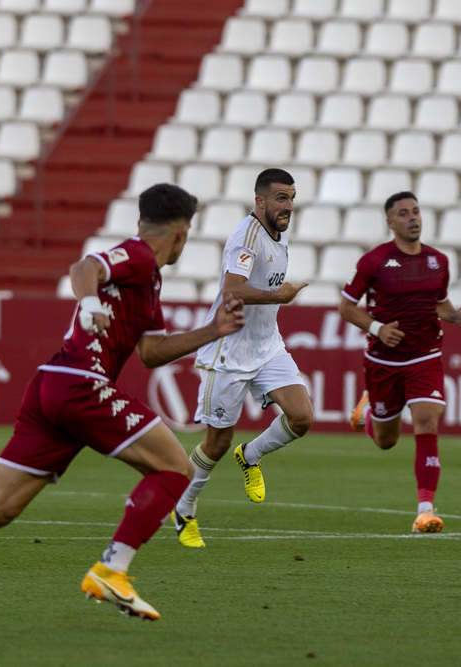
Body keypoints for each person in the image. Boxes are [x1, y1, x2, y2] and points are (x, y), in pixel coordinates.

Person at [0, 184, 245, 627]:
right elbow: (84, 267)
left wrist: (215, 330)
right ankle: (112, 570)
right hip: (81, 384)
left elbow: (152, 352)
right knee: (176, 469)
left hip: (50, 388)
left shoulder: (147, 280)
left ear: (142, 222)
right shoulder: (136, 256)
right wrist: (91, 300)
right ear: (181, 233)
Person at [170, 168, 313, 548]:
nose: (288, 206)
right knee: (215, 444)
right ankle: (184, 507)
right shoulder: (247, 235)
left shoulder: (278, 237)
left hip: (267, 347)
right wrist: (278, 297)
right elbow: (232, 291)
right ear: (260, 201)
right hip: (229, 352)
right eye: (281, 198)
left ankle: (250, 455)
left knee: (301, 417)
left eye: (292, 198)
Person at [339, 191, 461, 534]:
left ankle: (425, 511)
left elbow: (439, 304)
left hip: (425, 356)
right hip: (383, 361)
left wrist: (455, 316)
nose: (413, 218)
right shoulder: (374, 262)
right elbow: (347, 307)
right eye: (404, 213)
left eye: (416, 212)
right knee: (386, 441)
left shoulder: (438, 261)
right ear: (390, 222)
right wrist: (377, 328)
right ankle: (369, 411)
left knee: (427, 422)